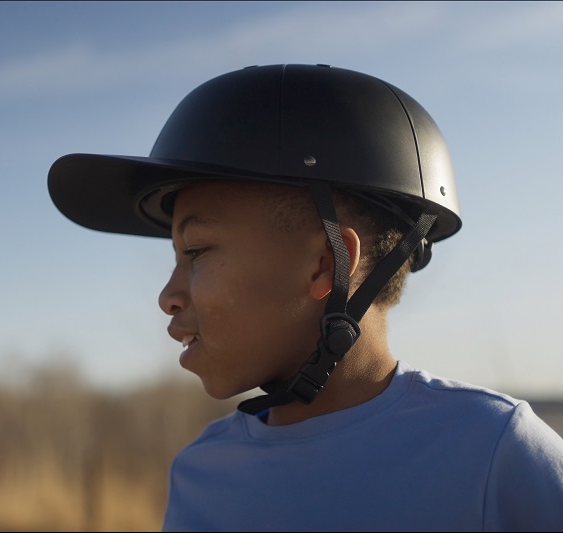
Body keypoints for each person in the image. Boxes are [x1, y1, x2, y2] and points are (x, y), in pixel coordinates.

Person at [47, 64, 563, 531]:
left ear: (325, 262)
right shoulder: (201, 470)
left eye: (197, 250)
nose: (167, 296)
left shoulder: (493, 451)